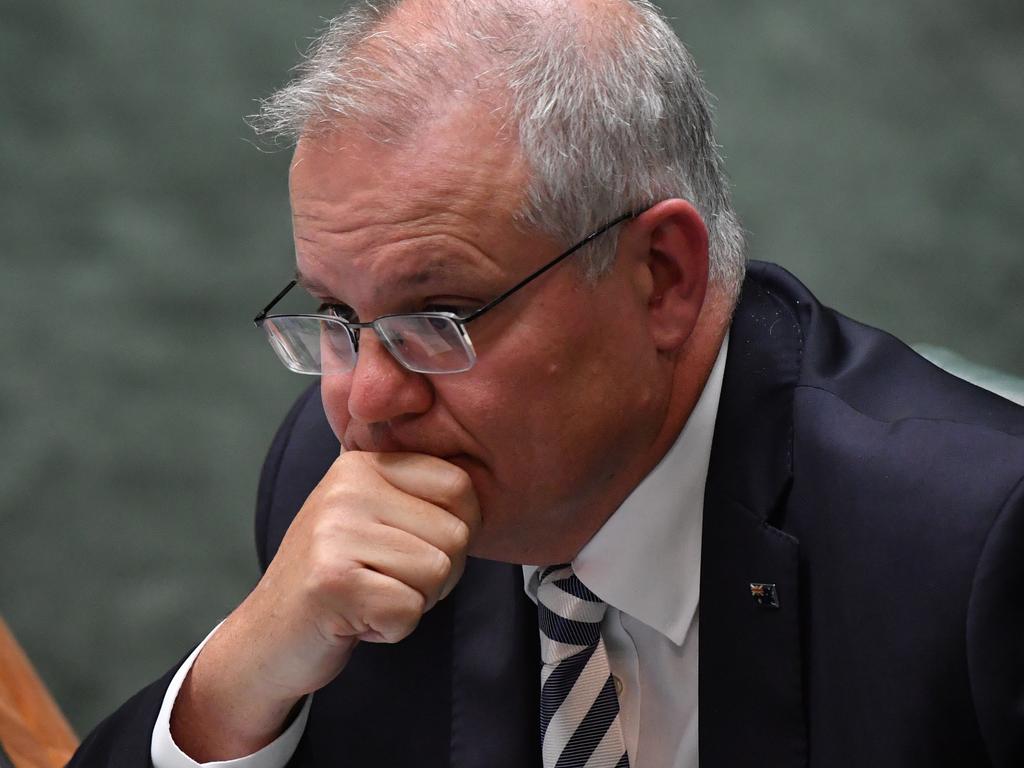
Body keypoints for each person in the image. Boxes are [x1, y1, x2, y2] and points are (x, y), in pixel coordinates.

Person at [69, 0, 1024, 766]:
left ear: (663, 279)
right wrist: (236, 687)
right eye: (337, 318)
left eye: (436, 317)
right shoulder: (332, 484)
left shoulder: (973, 552)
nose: (367, 402)